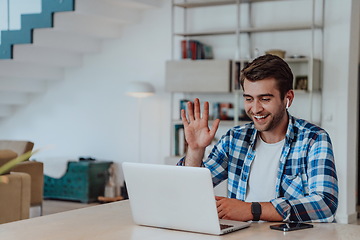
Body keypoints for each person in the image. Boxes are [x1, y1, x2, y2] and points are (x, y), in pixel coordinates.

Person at [177, 54, 338, 223]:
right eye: (248, 99)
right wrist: (195, 151)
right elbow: (188, 190)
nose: (255, 109)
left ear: (287, 98)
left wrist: (251, 210)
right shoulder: (235, 139)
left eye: (265, 99)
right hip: (242, 235)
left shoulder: (314, 139)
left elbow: (325, 205)